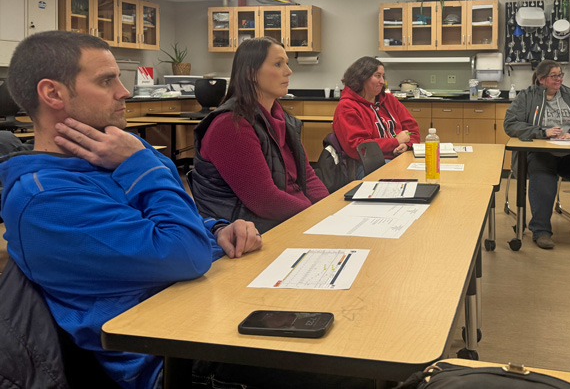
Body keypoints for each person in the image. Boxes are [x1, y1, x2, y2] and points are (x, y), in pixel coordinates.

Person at [0, 31, 262, 388]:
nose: (124, 92)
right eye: (107, 80)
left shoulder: (103, 160)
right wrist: (145, 164)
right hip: (171, 361)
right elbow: (185, 253)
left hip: (200, 318)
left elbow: (159, 227)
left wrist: (215, 228)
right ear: (53, 94)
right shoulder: (45, 200)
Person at [192, 37, 329, 233]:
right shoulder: (231, 125)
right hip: (255, 231)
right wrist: (315, 216)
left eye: (286, 64)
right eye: (278, 64)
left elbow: (307, 177)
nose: (289, 71)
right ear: (251, 73)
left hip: (291, 219)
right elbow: (265, 200)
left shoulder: (283, 119)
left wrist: (329, 210)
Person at [504, 60, 570, 249]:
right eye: (554, 76)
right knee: (543, 176)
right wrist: (542, 132)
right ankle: (541, 230)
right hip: (541, 151)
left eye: (560, 75)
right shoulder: (526, 97)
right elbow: (510, 124)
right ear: (542, 79)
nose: (559, 79)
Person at [333, 56, 420, 169]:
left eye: (383, 76)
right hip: (367, 165)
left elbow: (412, 130)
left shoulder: (389, 100)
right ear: (362, 77)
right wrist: (395, 142)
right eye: (377, 76)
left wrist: (406, 144)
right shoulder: (347, 107)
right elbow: (359, 147)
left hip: (399, 157)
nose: (382, 82)